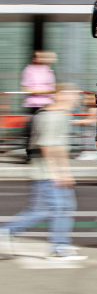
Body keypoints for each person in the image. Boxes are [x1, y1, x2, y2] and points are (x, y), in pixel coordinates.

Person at [0, 85, 87, 260]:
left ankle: (6, 231)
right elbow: (48, 147)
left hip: (45, 172)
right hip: (47, 173)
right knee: (61, 208)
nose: (77, 99)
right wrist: (59, 173)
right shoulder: (51, 117)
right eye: (73, 96)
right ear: (61, 96)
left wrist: (65, 171)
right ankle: (59, 247)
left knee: (40, 210)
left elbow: (59, 148)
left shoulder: (57, 116)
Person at [21, 51, 57, 161]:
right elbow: (26, 88)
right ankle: (31, 154)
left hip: (46, 104)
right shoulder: (29, 70)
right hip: (33, 104)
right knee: (33, 129)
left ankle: (43, 154)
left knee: (45, 130)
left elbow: (53, 88)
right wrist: (43, 90)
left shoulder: (48, 70)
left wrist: (39, 91)